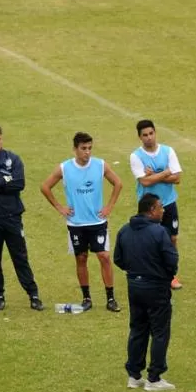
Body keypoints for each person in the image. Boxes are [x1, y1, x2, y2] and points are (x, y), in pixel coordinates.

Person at [40, 131, 124, 312]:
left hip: (97, 222)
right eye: (83, 148)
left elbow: (118, 183)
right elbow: (45, 187)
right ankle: (86, 298)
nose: (87, 152)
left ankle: (110, 298)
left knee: (104, 256)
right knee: (81, 258)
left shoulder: (100, 165)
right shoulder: (64, 168)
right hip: (76, 224)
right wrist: (60, 207)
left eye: (90, 148)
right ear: (75, 149)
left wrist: (109, 207)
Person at [0, 122, 44, 311]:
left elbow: (19, 183)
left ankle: (33, 294)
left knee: (20, 256)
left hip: (12, 215)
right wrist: (5, 179)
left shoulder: (13, 158)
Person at [113, 193, 179, 391]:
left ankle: (134, 376)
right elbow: (171, 261)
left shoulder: (124, 230)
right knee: (159, 331)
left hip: (134, 286)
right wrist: (164, 276)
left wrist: (135, 271)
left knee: (138, 329)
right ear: (151, 210)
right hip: (156, 287)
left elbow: (118, 259)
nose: (163, 210)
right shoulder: (159, 232)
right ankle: (154, 378)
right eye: (160, 207)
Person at [130, 119, 184, 290]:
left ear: (155, 133)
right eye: (145, 135)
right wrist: (166, 171)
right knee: (150, 240)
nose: (149, 138)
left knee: (172, 238)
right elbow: (145, 183)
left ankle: (171, 275)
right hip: (148, 208)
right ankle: (153, 274)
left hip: (168, 203)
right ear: (140, 137)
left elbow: (177, 178)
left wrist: (155, 175)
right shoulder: (136, 156)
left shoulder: (168, 151)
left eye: (151, 133)